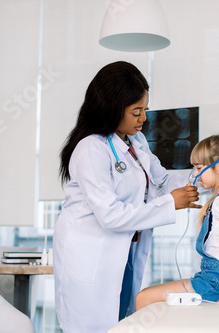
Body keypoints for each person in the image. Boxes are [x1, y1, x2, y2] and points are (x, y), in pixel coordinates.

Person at [53, 61, 201, 333]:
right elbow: (110, 214)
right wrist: (171, 203)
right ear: (111, 108)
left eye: (144, 109)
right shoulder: (90, 149)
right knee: (94, 326)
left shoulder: (136, 141)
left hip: (125, 250)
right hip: (91, 256)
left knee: (121, 322)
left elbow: (163, 181)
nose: (143, 118)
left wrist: (203, 178)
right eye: (136, 111)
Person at [135, 134, 219, 310]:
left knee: (143, 297)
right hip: (218, 279)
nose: (195, 176)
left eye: (198, 168)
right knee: (145, 296)